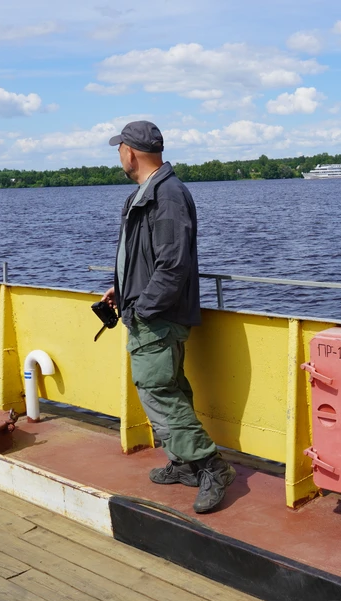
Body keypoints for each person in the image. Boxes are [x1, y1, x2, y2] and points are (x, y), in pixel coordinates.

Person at [101, 120, 235, 513]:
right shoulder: (146, 193)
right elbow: (147, 258)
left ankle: (211, 466)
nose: (118, 156)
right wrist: (123, 290)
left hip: (156, 316)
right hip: (149, 310)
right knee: (170, 387)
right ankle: (185, 463)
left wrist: (142, 308)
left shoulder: (168, 195)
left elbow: (173, 265)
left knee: (156, 389)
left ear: (131, 152)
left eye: (119, 148)